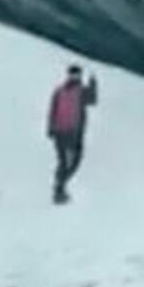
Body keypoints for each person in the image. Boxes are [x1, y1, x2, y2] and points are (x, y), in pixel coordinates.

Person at [46, 64, 98, 204]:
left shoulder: (59, 91)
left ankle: (59, 187)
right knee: (74, 161)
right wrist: (93, 83)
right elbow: (93, 100)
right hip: (74, 133)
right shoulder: (81, 92)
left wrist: (50, 128)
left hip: (59, 131)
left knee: (63, 161)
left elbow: (52, 110)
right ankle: (59, 188)